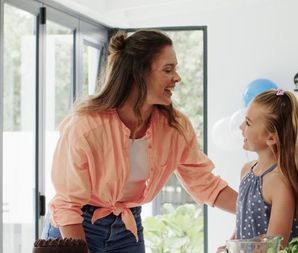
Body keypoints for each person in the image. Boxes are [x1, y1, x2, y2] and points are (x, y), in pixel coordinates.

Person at [42, 30, 237, 253]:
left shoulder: (175, 127)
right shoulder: (86, 126)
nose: (177, 77)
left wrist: (253, 209)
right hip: (76, 226)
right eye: (168, 69)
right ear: (138, 74)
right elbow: (68, 204)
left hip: (126, 228)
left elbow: (204, 183)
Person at [235, 88, 298, 248]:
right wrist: (229, 245)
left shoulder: (279, 182)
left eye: (248, 123)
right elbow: (242, 224)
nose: (241, 126)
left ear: (271, 137)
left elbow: (275, 246)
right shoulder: (246, 171)